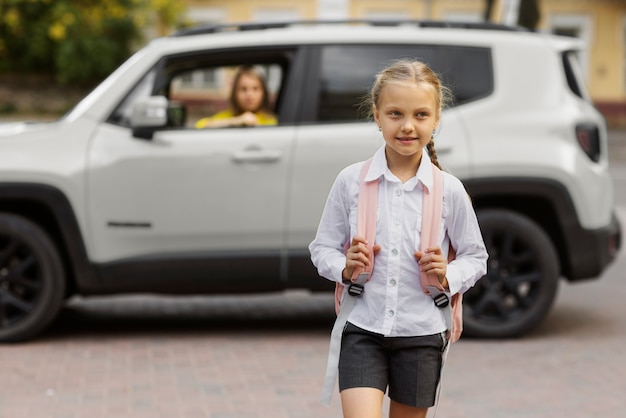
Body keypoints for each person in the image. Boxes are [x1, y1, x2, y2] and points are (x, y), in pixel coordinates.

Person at [309, 59, 488, 418]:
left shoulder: (448, 190)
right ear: (377, 115)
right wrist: (344, 269)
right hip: (362, 327)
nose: (408, 126)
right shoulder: (350, 182)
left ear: (436, 119)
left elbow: (476, 257)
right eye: (395, 113)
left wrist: (447, 274)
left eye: (421, 115)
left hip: (421, 333)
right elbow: (322, 249)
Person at [195, 65, 277, 128]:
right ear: (234, 92)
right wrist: (236, 121)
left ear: (264, 92)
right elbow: (200, 125)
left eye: (255, 89)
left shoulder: (271, 121)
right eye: (243, 89)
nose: (249, 95)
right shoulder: (226, 116)